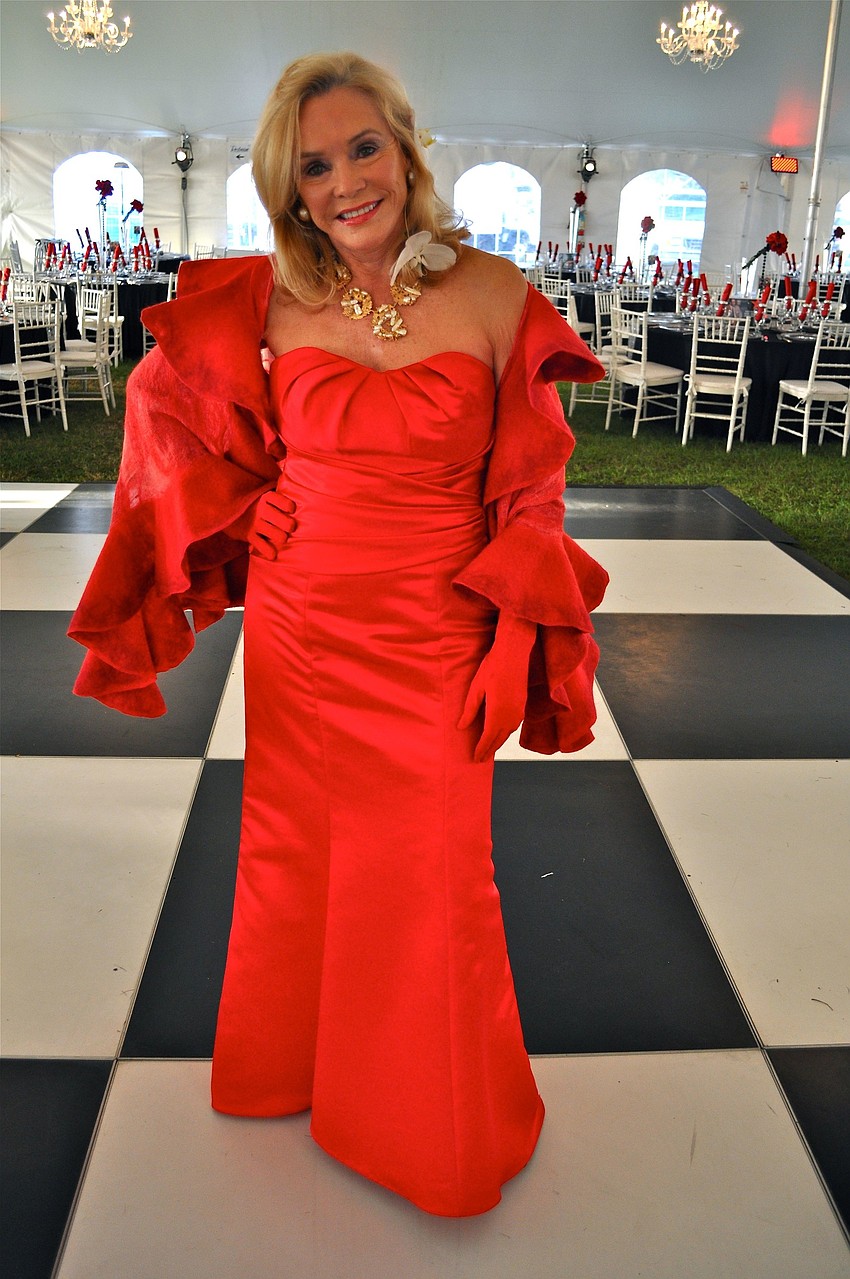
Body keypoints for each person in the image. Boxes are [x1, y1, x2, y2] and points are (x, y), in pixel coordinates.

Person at [69, 51, 608, 1217]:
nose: (345, 180)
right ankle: (291, 1075)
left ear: (405, 149)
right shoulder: (267, 298)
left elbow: (532, 495)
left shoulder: (499, 294)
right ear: (291, 188)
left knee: (432, 879)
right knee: (295, 860)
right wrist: (253, 503)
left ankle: (425, 1129)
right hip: (302, 625)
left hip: (436, 635)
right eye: (314, 166)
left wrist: (513, 641)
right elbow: (168, 401)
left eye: (363, 147)